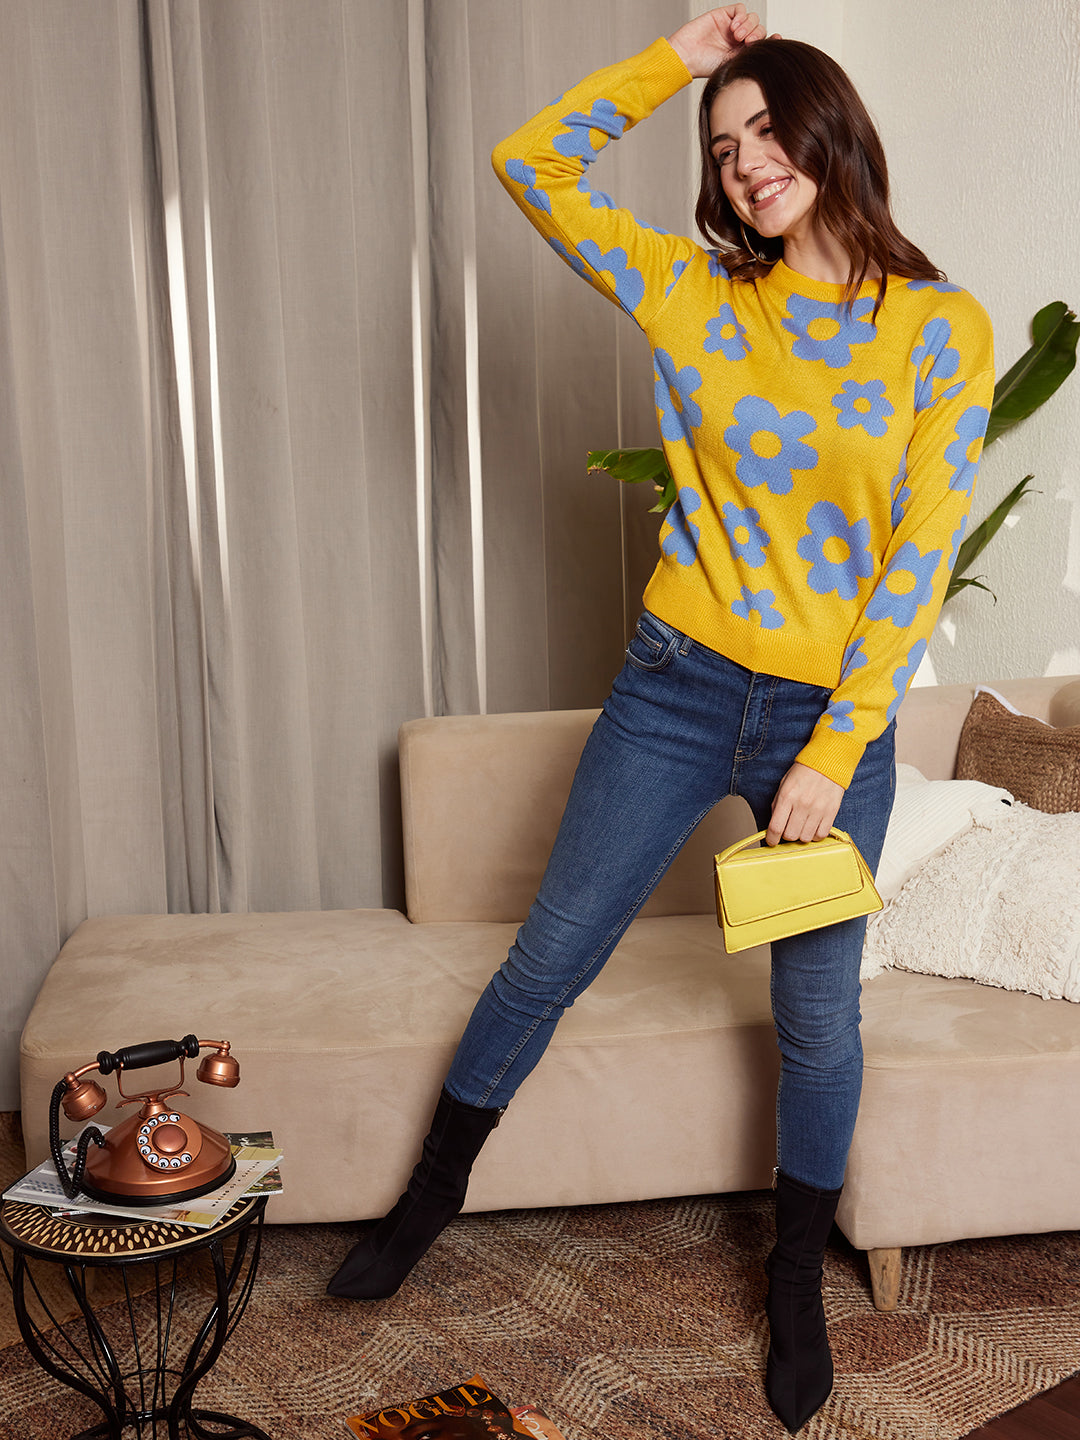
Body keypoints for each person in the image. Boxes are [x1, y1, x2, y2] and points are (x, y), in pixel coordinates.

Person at [328, 6, 993, 1432]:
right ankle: (426, 1199)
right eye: (723, 144)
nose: (746, 162)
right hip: (677, 687)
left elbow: (919, 555)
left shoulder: (940, 327)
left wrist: (832, 754)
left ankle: (796, 1281)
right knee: (549, 959)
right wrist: (677, 64)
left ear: (832, 130)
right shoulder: (692, 292)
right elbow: (531, 163)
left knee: (816, 1019)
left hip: (828, 719)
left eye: (767, 128)